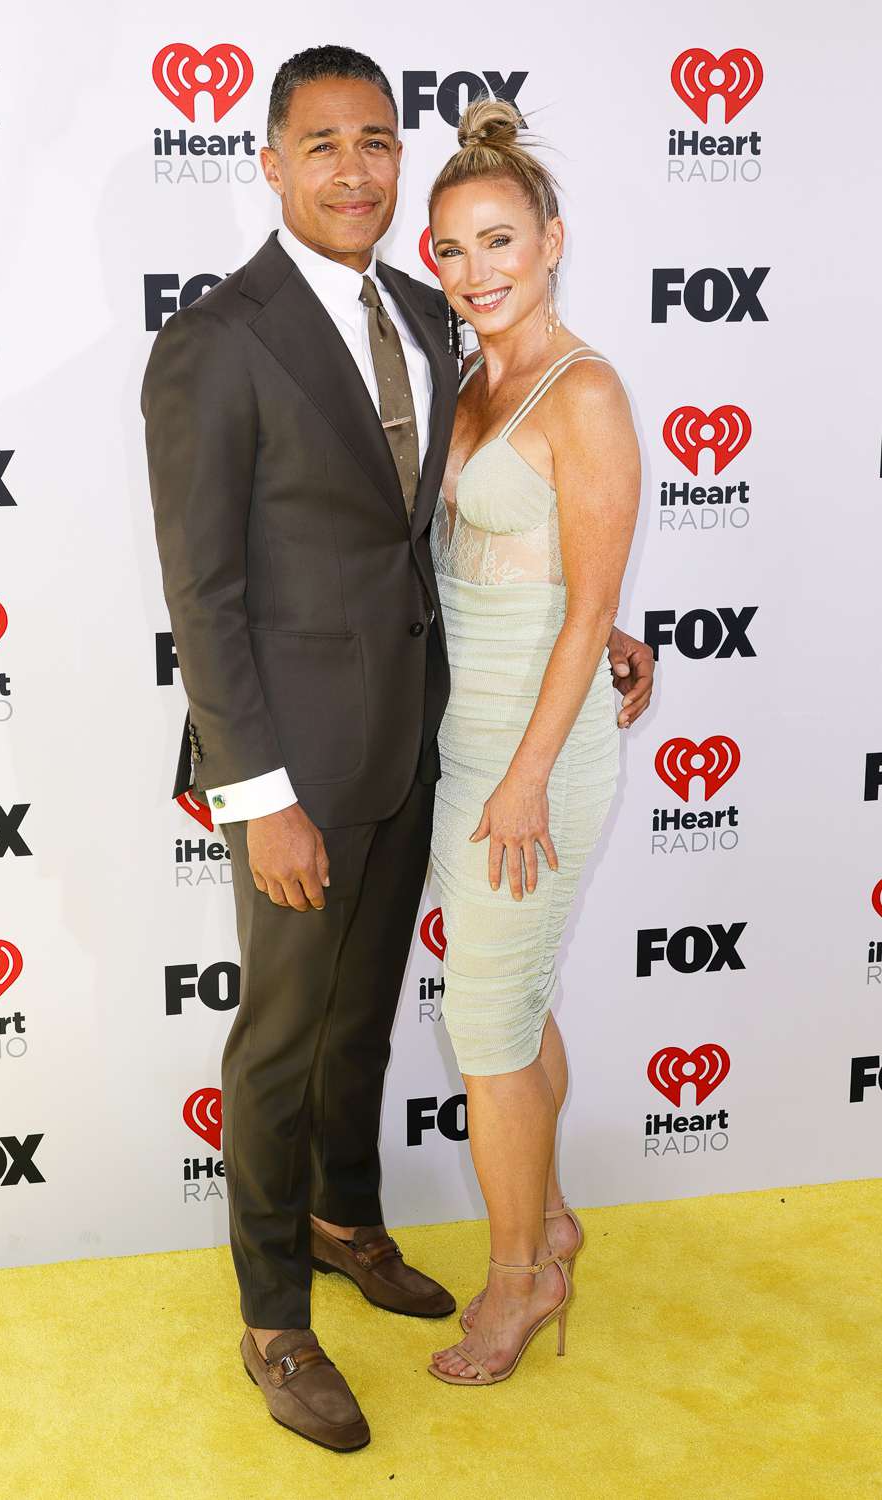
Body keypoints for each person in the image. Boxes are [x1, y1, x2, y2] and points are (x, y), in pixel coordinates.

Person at [141, 47, 654, 1450]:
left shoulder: (436, 318)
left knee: (366, 1020)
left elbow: (492, 516)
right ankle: (272, 1317)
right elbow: (208, 599)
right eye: (322, 144)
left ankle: (346, 1217)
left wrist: (597, 627)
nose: (355, 168)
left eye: (377, 141)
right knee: (279, 1044)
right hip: (295, 775)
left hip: (429, 748)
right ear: (270, 160)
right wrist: (261, 798)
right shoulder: (214, 343)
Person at [424, 101, 641, 1386]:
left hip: (537, 766)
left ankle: (519, 1281)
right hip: (469, 751)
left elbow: (592, 609)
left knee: (488, 1031)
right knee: (515, 1002)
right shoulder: (473, 375)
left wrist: (521, 782)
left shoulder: (586, 388)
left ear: (551, 241)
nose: (475, 273)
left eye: (499, 242)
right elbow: (522, 569)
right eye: (451, 251)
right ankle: (548, 1221)